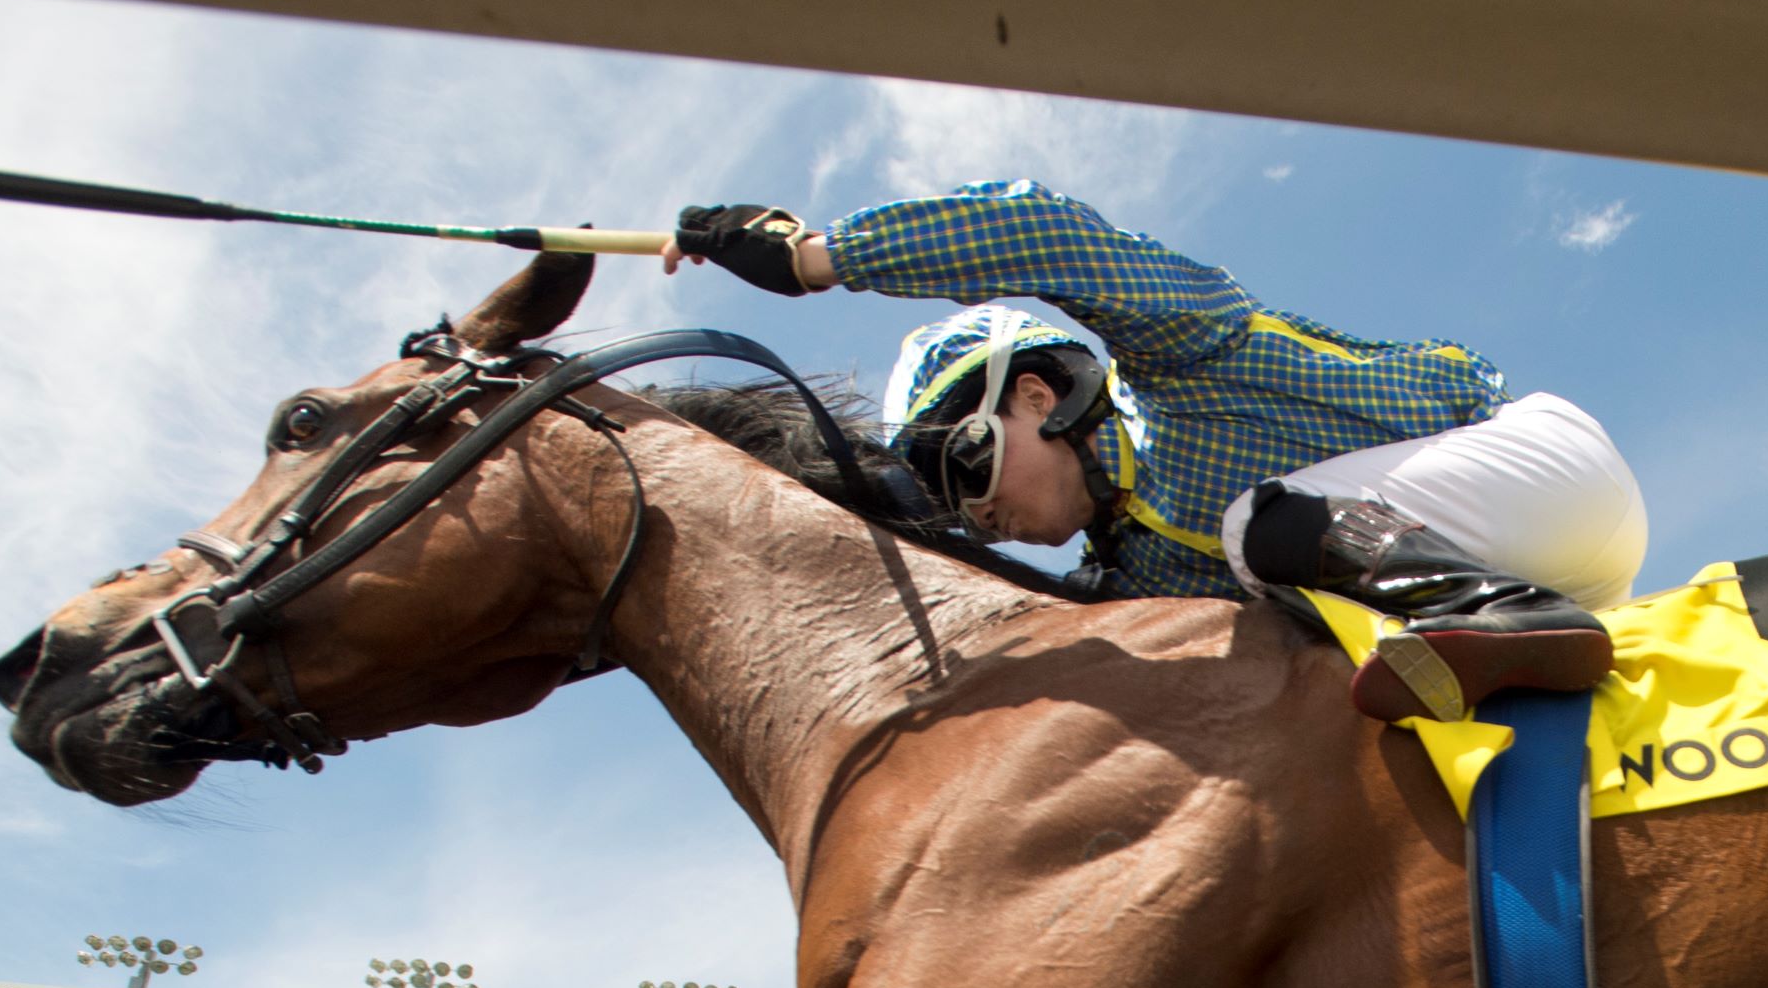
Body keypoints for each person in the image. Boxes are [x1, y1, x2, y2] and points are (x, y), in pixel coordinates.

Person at [671, 183, 1645, 725]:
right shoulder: (1123, 580)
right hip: (1525, 563)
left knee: (1252, 528)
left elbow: (1044, 233)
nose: (972, 512)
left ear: (1037, 395)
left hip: (1549, 477)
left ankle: (1505, 617)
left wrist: (814, 258)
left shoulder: (1180, 357)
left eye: (966, 464)